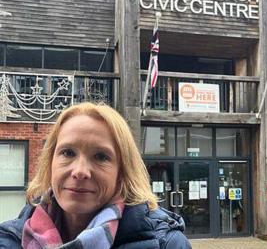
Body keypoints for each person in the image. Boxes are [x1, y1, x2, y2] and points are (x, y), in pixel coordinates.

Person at [0, 102, 191, 249]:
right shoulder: (8, 240)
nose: (80, 171)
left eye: (101, 156)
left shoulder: (167, 244)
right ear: (50, 162)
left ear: (122, 172)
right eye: (68, 153)